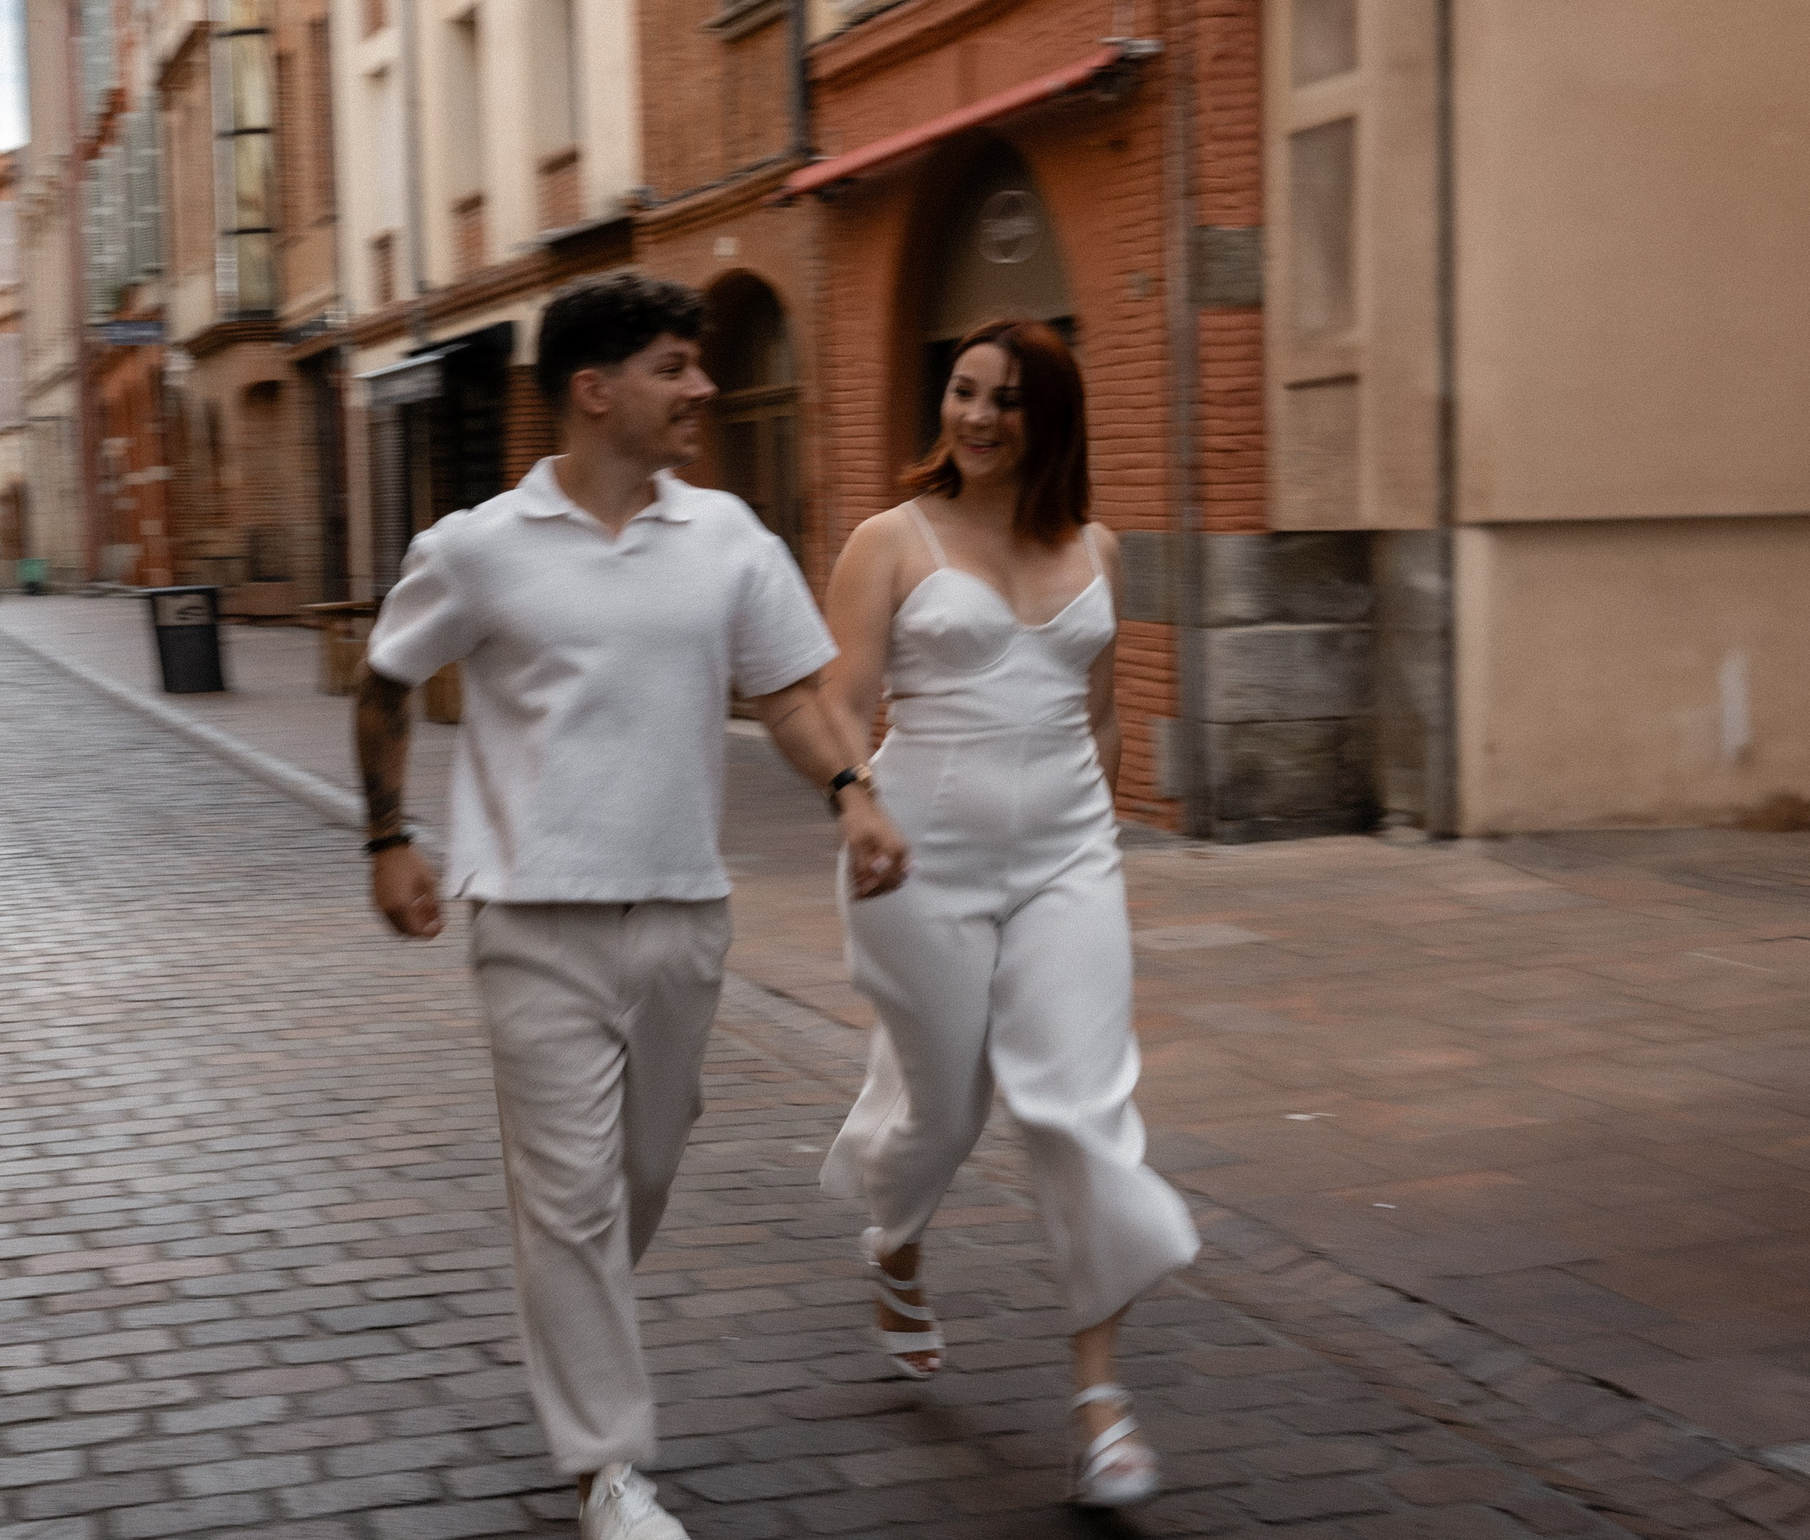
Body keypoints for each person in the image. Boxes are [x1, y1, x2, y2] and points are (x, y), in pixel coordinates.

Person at [356, 272, 912, 1540]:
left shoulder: (726, 538)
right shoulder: (477, 548)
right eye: (675, 366)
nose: (701, 390)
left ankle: (572, 1314)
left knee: (640, 1174)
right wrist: (389, 838)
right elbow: (387, 681)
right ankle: (609, 1469)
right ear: (595, 391)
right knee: (568, 1199)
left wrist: (854, 794)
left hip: (680, 915)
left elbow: (786, 692)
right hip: (530, 922)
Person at [816, 318, 1199, 1509]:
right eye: (963, 391)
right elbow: (836, 704)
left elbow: (1099, 712)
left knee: (1079, 1109)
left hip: (1066, 860)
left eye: (1008, 400)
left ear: (1052, 420)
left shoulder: (1099, 549)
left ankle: (1099, 1405)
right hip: (914, 863)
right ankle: (893, 1242)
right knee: (944, 1107)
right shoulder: (889, 540)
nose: (978, 417)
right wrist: (856, 809)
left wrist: (1095, 837)